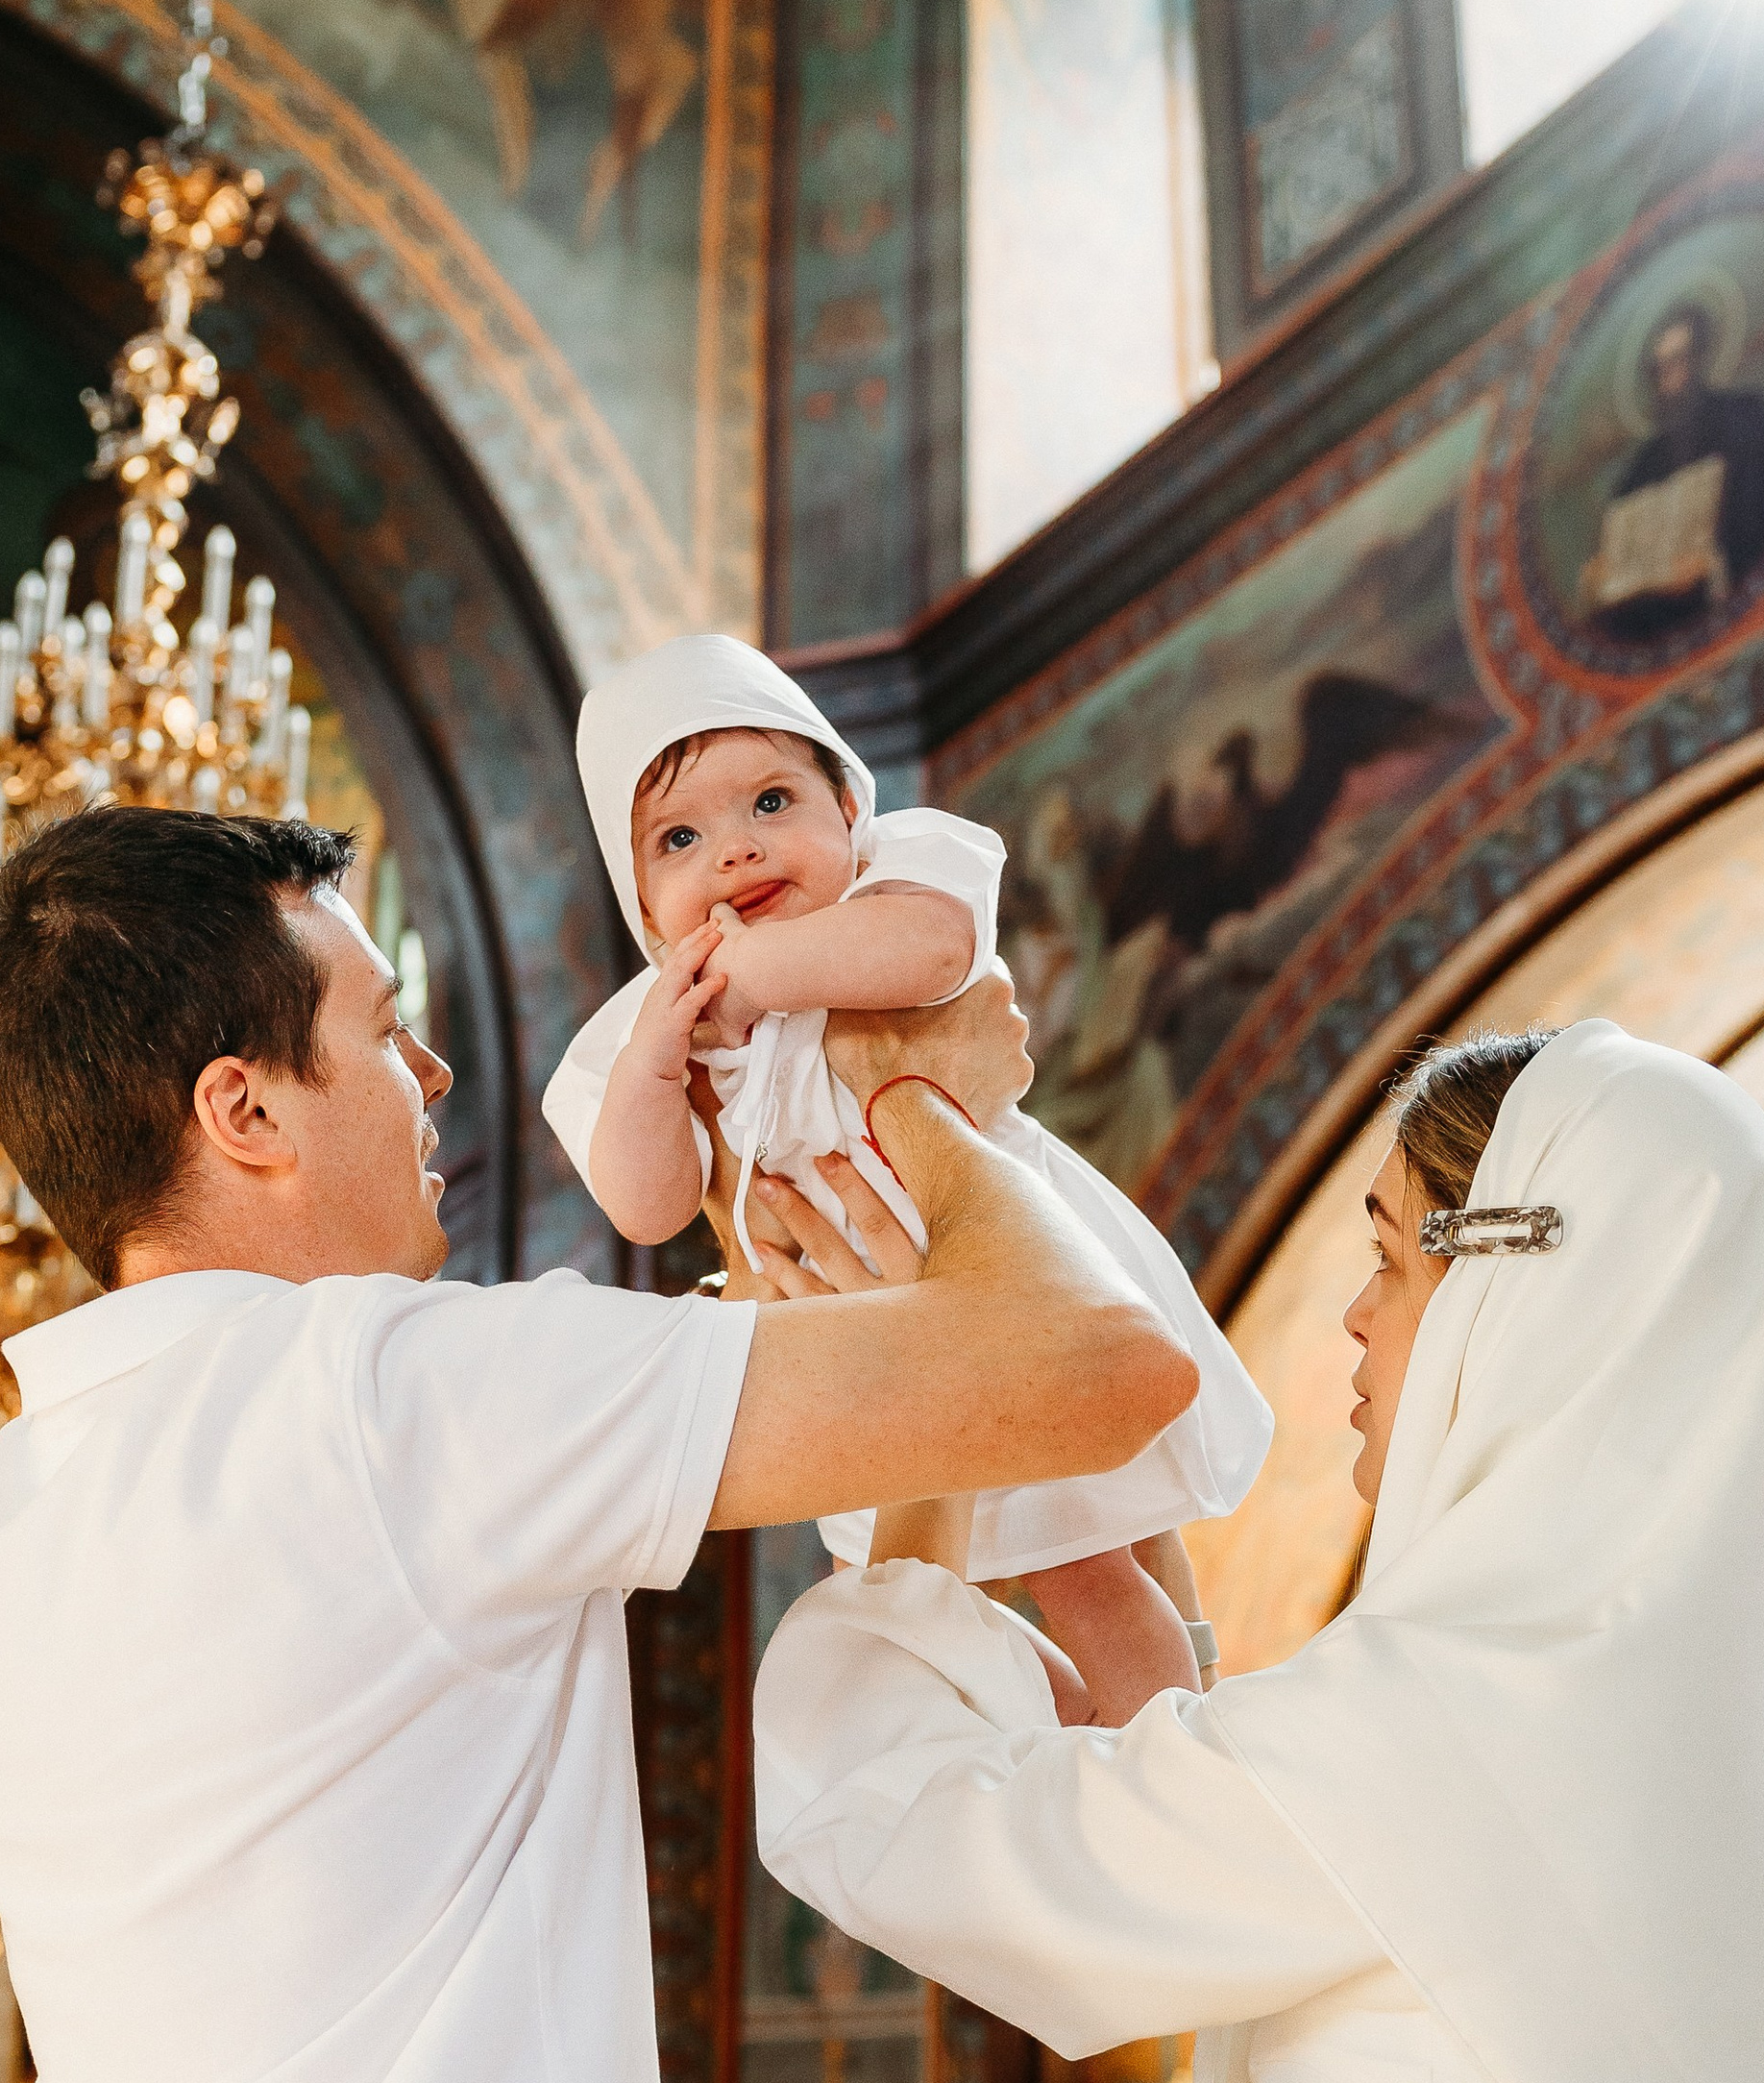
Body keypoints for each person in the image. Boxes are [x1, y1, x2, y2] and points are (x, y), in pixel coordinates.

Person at [0, 806, 1196, 2083]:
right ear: (244, 1111)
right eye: (385, 1031)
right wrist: (919, 1100)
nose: (433, 1076)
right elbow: (1107, 1368)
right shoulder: (397, 1406)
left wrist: (873, 1359)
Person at [754, 1019, 1764, 2083]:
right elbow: (1315, 1855)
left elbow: (910, 1830)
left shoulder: (1446, 1732)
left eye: (1395, 1262)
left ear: (1526, 1303)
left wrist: (931, 1404)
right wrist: (1083, 1543)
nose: (1354, 1315)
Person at [543, 635, 1272, 1726]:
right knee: (911, 1600)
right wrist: (658, 1061)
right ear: (645, 907)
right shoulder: (646, 1032)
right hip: (861, 1344)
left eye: (773, 800)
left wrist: (744, 969)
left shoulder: (900, 877)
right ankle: (1068, 1746)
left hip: (1010, 1281)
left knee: (1087, 1560)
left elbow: (931, 954)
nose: (736, 852)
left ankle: (1181, 1762)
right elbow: (646, 1204)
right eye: (681, 836)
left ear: (851, 808)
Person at [1582, 301, 1764, 639]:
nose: (1671, 378)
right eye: (1660, 368)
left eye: (1680, 360)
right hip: (1665, 619)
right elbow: (1620, 546)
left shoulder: (1744, 414)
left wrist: (1712, 560)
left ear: (1699, 358)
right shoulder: (1642, 464)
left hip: (1745, 594)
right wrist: (1604, 572)